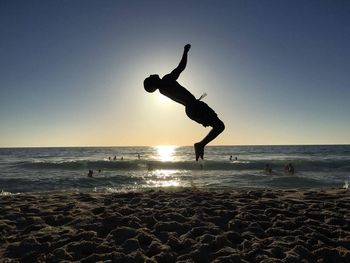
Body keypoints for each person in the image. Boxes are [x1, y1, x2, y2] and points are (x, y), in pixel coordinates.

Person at [144, 44, 225, 161]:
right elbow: (181, 67)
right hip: (194, 107)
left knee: (219, 126)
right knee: (220, 126)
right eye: (150, 77)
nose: (151, 74)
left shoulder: (162, 90)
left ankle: (201, 145)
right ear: (153, 83)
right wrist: (185, 51)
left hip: (191, 109)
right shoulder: (166, 81)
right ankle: (200, 144)